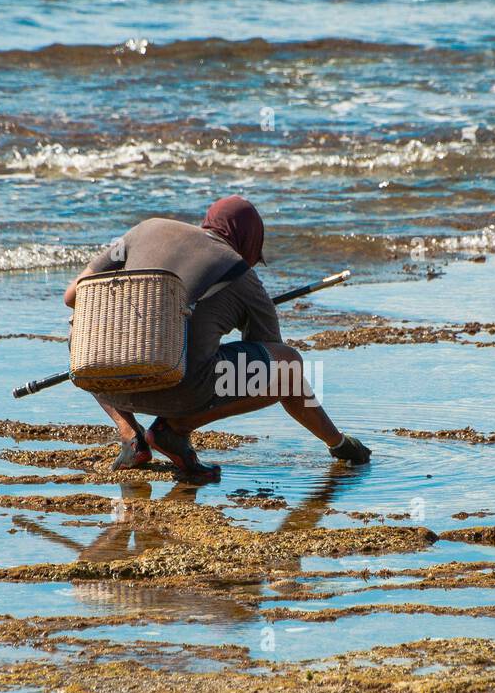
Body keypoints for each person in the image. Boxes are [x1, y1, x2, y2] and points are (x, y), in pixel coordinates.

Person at [62, 196, 371, 482]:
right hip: (180, 394)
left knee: (83, 329)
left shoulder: (145, 229)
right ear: (248, 243)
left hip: (107, 382)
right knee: (288, 364)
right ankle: (173, 429)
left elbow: (74, 294)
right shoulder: (238, 270)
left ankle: (131, 434)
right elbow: (278, 374)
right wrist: (339, 442)